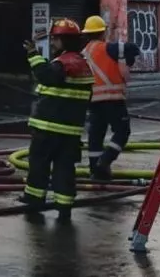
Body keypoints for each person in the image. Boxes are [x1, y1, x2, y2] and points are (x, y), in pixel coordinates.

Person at [20, 18, 93, 220]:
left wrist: (32, 54)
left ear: (64, 41)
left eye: (55, 39)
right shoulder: (82, 64)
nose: (52, 43)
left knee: (39, 165)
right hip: (70, 131)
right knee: (64, 169)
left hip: (48, 128)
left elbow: (45, 76)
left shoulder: (65, 63)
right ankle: (64, 207)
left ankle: (34, 202)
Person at [81, 15, 139, 181]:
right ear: (103, 32)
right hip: (114, 100)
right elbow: (133, 48)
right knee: (122, 132)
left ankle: (96, 172)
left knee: (95, 136)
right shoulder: (110, 48)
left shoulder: (84, 53)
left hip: (94, 103)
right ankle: (105, 161)